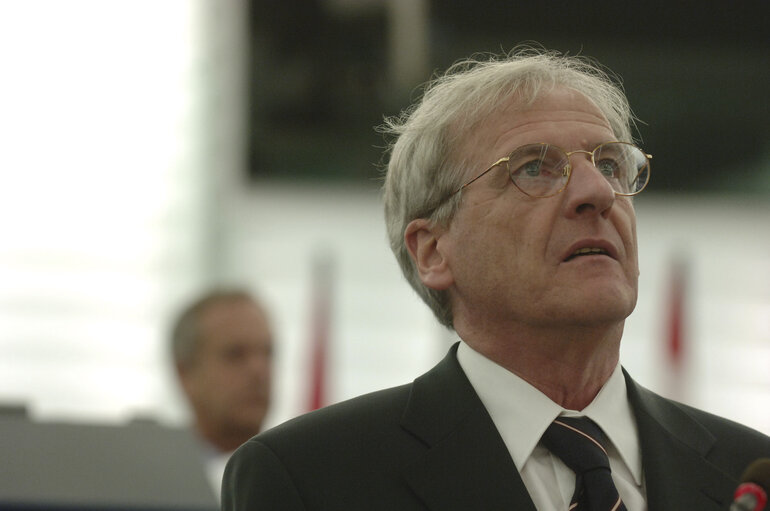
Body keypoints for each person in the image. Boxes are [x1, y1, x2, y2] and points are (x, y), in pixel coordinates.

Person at [222, 49, 770, 510]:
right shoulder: (310, 479)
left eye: (608, 164)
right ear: (434, 251)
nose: (597, 194)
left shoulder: (747, 475)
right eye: (534, 167)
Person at [171, 288, 273, 499]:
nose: (259, 371)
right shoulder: (150, 481)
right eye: (235, 354)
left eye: (268, 353)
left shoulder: (301, 475)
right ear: (185, 373)